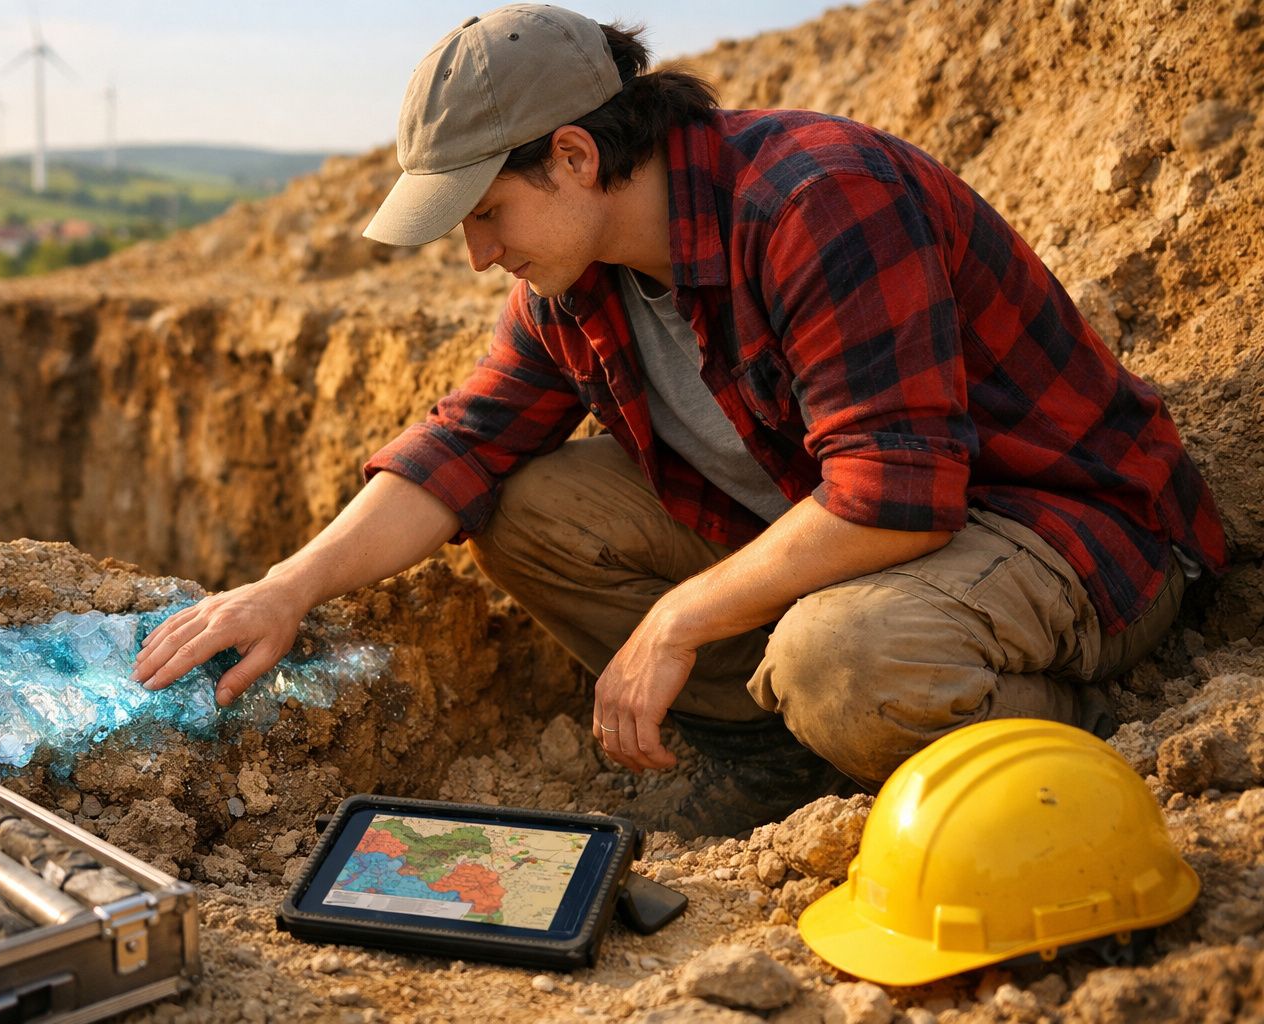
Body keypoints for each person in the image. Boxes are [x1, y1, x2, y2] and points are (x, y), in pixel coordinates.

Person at [134, 4, 1226, 834]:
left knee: (843, 658)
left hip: (1062, 532)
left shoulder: (815, 200)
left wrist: (679, 617)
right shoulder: (577, 278)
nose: (477, 255)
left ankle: (1062, 735)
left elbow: (898, 496)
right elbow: (459, 448)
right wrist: (284, 588)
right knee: (526, 506)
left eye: (485, 215)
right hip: (858, 528)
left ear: (573, 156)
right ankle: (779, 756)